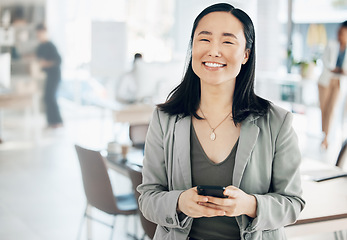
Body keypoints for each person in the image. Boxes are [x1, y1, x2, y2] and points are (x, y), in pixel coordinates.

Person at [137, 3, 305, 240]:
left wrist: (250, 204)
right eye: (204, 39)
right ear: (192, 46)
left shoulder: (277, 122)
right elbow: (148, 197)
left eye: (227, 42)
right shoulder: (165, 119)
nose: (214, 51)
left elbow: (292, 202)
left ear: (246, 53)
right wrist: (179, 202)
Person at [318, 20, 347, 149]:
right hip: (325, 81)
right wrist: (335, 69)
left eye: (342, 32)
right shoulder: (331, 44)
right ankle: (324, 134)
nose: (339, 34)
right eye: (339, 31)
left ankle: (326, 138)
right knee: (324, 108)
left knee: (332, 109)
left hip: (338, 82)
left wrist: (341, 70)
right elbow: (325, 61)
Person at [35, 23, 63, 128]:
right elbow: (37, 58)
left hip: (55, 75)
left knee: (51, 97)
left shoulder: (50, 45)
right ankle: (51, 122)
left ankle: (57, 121)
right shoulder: (41, 46)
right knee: (47, 97)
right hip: (47, 75)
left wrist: (46, 64)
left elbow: (59, 60)